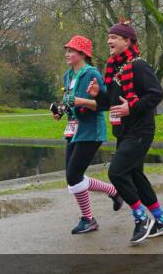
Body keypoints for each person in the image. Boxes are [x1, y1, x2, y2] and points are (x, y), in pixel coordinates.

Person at [104, 21, 163, 245]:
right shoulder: (114, 68)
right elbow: (110, 102)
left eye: (114, 37)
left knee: (116, 172)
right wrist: (97, 94)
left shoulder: (139, 66)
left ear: (127, 41)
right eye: (109, 37)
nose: (109, 41)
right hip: (124, 131)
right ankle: (162, 220)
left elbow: (156, 94)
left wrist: (131, 107)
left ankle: (141, 218)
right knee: (135, 175)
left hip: (141, 130)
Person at [52, 35, 121, 234]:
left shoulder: (92, 74)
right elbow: (69, 101)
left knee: (73, 175)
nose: (67, 54)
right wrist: (60, 111)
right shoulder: (68, 76)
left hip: (91, 131)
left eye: (71, 51)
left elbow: (105, 104)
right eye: (67, 50)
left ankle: (89, 218)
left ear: (82, 54)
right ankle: (111, 195)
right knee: (72, 176)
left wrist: (82, 102)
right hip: (74, 130)